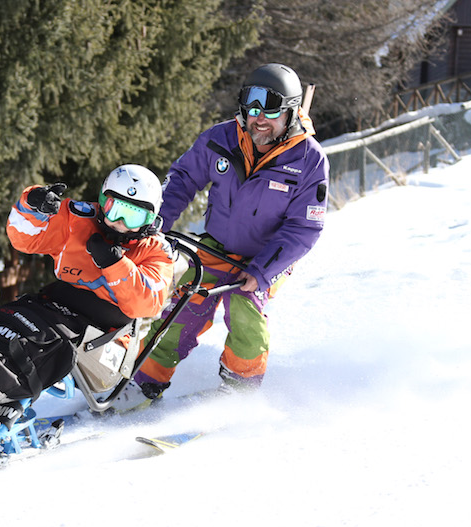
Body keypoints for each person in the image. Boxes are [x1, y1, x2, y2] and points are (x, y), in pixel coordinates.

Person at [114, 63, 330, 409]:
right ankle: (143, 384)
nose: (259, 119)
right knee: (184, 308)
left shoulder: (309, 160)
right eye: (252, 109)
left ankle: (239, 390)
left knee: (245, 309)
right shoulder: (222, 138)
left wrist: (261, 271)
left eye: (271, 110)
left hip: (267, 257)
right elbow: (183, 179)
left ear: (291, 112)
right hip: (217, 246)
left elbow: (304, 227)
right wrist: (156, 224)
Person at [0, 164, 175, 424]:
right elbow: (25, 239)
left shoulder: (156, 251)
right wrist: (32, 207)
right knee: (11, 317)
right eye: (115, 210)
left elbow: (147, 303)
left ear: (150, 218)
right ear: (103, 202)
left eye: (133, 217)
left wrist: (114, 263)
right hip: (58, 304)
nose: (120, 223)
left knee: (40, 338)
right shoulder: (79, 219)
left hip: (104, 333)